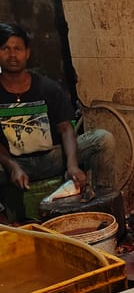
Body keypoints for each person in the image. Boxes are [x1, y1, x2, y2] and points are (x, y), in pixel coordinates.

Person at [0, 23, 115, 198]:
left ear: (27, 53)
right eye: (5, 49)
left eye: (18, 48)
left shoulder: (48, 88)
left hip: (51, 158)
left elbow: (66, 128)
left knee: (103, 139)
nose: (12, 55)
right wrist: (12, 166)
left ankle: (102, 200)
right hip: (13, 163)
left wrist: (72, 165)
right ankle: (5, 221)